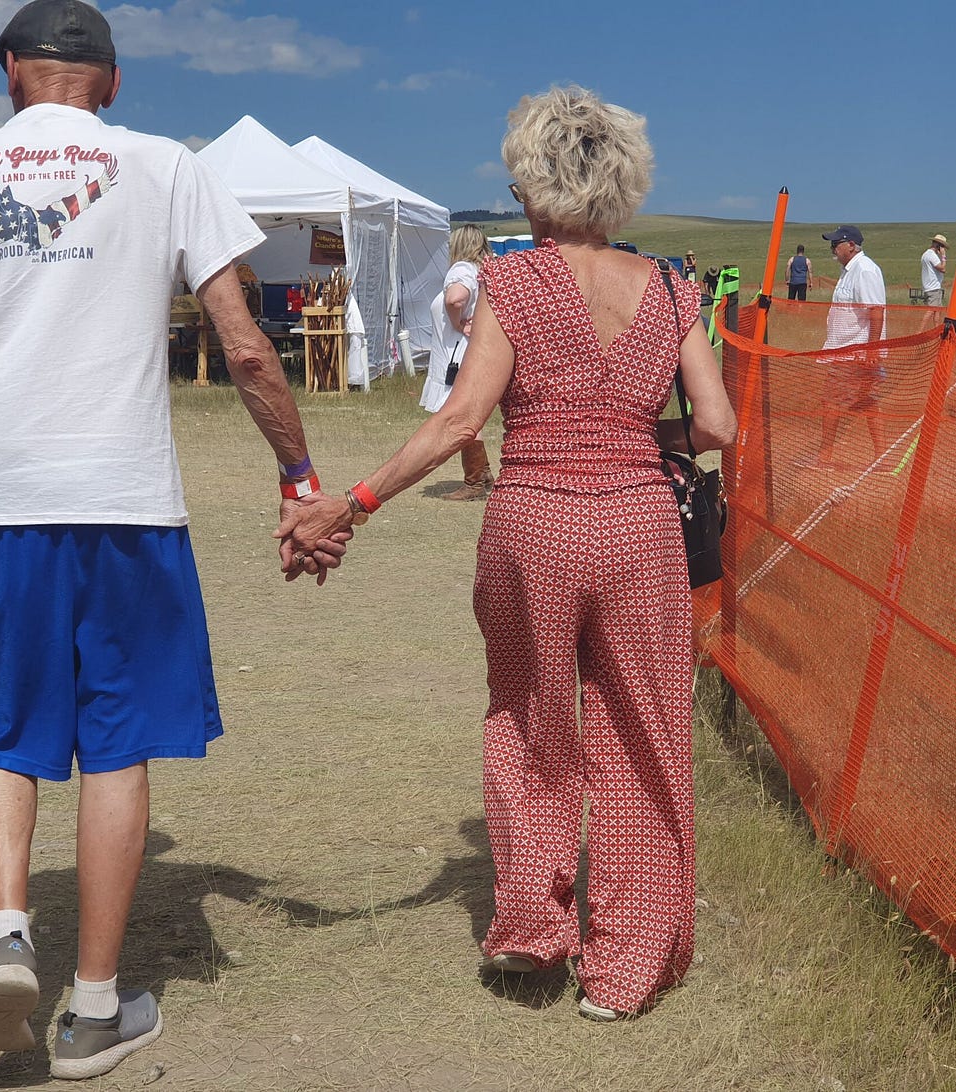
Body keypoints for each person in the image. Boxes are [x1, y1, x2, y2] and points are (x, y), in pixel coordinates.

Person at [0, 0, 347, 1079]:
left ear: (8, 77)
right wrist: (300, 477)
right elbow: (247, 348)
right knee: (115, 740)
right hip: (126, 499)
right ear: (113, 83)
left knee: (2, 730)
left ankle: (4, 931)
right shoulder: (166, 168)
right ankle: (92, 1009)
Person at [278, 85, 737, 1022]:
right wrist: (643, 444)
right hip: (642, 526)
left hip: (533, 519)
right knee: (643, 734)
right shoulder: (675, 291)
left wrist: (353, 505)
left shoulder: (514, 284)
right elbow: (720, 424)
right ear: (620, 186)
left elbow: (459, 421)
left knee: (530, 720)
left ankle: (534, 923)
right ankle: (628, 966)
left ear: (534, 186)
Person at [419, 223, 495, 500]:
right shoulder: (483, 271)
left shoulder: (462, 268)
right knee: (466, 416)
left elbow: (455, 299)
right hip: (467, 352)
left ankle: (475, 481)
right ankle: (481, 474)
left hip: (457, 353)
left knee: (459, 418)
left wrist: (458, 322)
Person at [806, 224, 887, 469]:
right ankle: (882, 456)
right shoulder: (849, 270)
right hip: (845, 349)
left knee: (831, 402)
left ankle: (824, 458)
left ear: (851, 245)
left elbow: (875, 311)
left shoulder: (864, 270)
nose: (832, 248)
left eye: (836, 243)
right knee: (865, 400)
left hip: (855, 351)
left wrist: (871, 350)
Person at [921, 233, 947, 306]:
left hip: (931, 287)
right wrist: (943, 256)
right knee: (931, 311)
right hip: (933, 288)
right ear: (938, 245)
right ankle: (923, 318)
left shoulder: (926, 254)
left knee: (937, 311)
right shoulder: (932, 255)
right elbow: (942, 268)